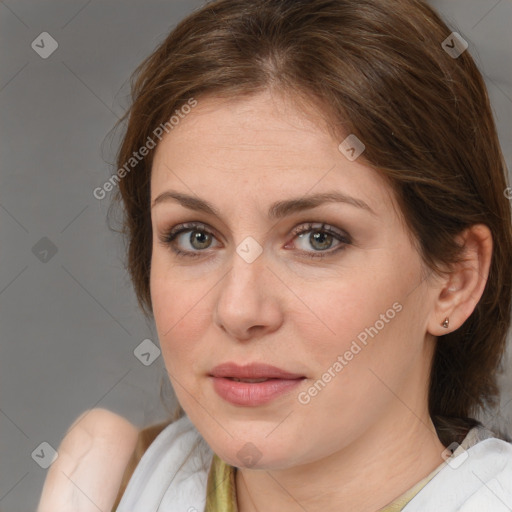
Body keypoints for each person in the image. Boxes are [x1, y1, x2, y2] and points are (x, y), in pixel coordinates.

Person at [38, 0, 512, 511]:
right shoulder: (107, 488)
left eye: (318, 238)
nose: (239, 310)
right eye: (196, 236)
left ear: (454, 280)